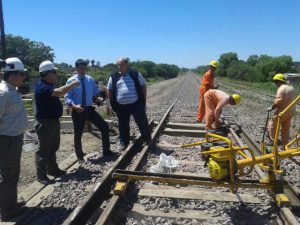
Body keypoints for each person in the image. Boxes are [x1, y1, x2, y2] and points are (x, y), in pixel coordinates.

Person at [35, 61, 80, 185]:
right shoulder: (42, 87)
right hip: (45, 123)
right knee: (44, 149)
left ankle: (53, 170)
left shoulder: (48, 85)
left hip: (52, 121)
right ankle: (41, 175)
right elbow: (60, 92)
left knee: (53, 147)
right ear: (47, 74)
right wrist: (72, 84)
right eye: (54, 72)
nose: (56, 74)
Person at [65, 59, 114, 160]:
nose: (83, 70)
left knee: (104, 126)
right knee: (78, 133)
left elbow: (95, 93)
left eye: (84, 68)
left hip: (89, 109)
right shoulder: (71, 81)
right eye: (81, 68)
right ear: (76, 68)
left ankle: (106, 151)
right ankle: (79, 155)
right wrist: (74, 106)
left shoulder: (90, 79)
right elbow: (67, 97)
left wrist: (98, 99)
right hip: (78, 110)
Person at [0, 58, 28, 221]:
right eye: (22, 74)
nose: (23, 77)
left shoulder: (12, 89)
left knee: (12, 173)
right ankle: (8, 211)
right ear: (13, 75)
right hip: (7, 140)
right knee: (9, 175)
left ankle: (9, 203)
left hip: (14, 137)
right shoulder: (4, 92)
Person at [107, 57, 151, 150]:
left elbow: (143, 85)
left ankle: (147, 140)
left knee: (142, 122)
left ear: (127, 65)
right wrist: (112, 103)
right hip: (121, 106)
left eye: (121, 65)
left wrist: (143, 99)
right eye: (118, 65)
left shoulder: (135, 74)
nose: (119, 67)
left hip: (136, 104)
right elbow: (109, 90)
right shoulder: (113, 76)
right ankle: (124, 142)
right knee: (123, 125)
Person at [267, 73, 296, 145]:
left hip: (283, 112)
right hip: (291, 111)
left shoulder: (281, 89)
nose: (275, 83)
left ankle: (273, 141)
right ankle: (285, 144)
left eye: (275, 82)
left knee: (272, 124)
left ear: (279, 81)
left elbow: (278, 101)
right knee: (285, 128)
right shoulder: (291, 88)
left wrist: (272, 107)